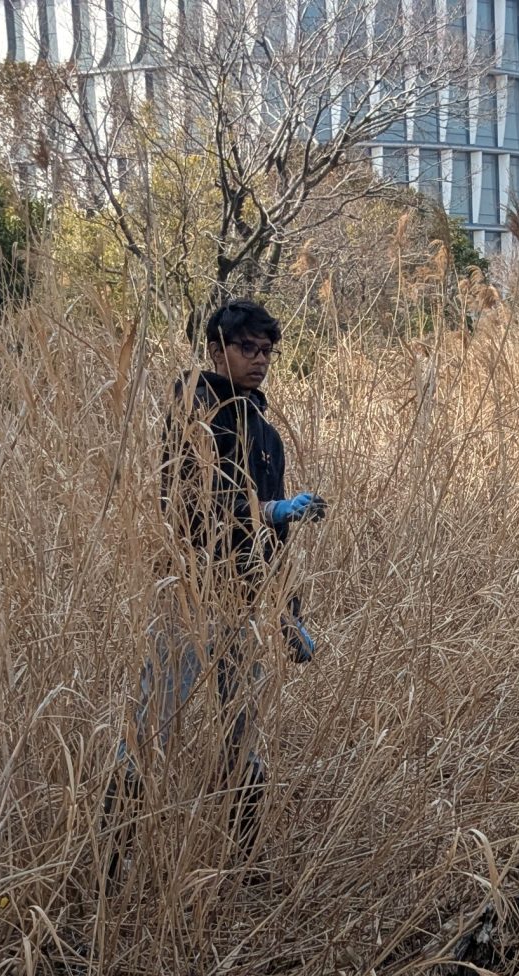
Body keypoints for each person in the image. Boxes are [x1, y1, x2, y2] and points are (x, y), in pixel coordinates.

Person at [133, 297, 324, 834]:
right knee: (149, 732)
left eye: (267, 351)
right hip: (190, 596)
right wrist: (266, 509)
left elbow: (276, 538)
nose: (259, 359)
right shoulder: (193, 413)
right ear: (217, 351)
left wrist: (289, 613)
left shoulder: (267, 435)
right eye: (247, 348)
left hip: (244, 603)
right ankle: (111, 862)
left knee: (243, 738)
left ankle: (241, 864)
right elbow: (188, 506)